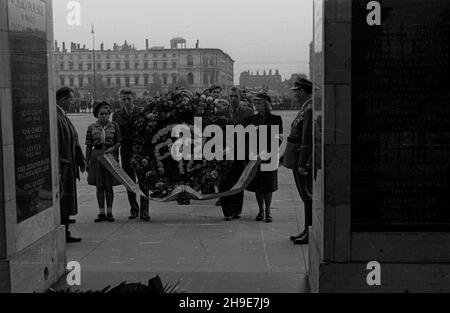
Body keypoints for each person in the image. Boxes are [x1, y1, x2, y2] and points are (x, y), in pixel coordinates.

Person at [112, 88, 151, 222]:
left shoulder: (141, 112)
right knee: (129, 181)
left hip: (140, 151)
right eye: (123, 99)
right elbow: (115, 137)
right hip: (126, 151)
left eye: (129, 99)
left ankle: (145, 211)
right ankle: (134, 209)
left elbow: (147, 131)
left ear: (134, 98)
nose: (126, 101)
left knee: (143, 181)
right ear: (120, 100)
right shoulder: (116, 115)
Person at [244, 92, 283, 223]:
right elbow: (246, 138)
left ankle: (268, 211)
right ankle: (260, 210)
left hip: (269, 157)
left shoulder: (276, 119)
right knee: (257, 185)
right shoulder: (251, 120)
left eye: (259, 103)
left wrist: (267, 151)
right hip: (255, 157)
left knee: (268, 184)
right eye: (255, 103)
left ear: (266, 105)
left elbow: (279, 138)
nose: (256, 106)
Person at [219, 87, 255, 221]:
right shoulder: (220, 113)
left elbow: (252, 133)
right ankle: (227, 211)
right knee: (224, 181)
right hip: (224, 152)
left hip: (240, 152)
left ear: (240, 98)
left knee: (238, 180)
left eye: (236, 96)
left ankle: (237, 209)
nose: (233, 99)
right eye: (231, 96)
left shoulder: (248, 112)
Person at [56, 87, 86, 243]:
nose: (72, 102)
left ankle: (65, 231)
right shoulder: (56, 116)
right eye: (70, 99)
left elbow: (73, 138)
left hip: (68, 165)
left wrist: (80, 159)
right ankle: (63, 233)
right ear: (62, 99)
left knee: (66, 201)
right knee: (64, 201)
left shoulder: (62, 115)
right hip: (63, 167)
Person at [86, 102, 123, 223]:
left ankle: (110, 212)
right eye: (101, 114)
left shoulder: (114, 126)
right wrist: (87, 162)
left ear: (109, 115)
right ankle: (101, 212)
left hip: (109, 155)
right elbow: (88, 145)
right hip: (96, 156)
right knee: (99, 186)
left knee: (109, 185)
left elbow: (119, 141)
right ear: (97, 115)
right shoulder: (91, 127)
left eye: (106, 114)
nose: (104, 116)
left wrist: (113, 148)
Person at [286, 78, 313, 245]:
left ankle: (310, 231)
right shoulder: (306, 108)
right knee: (305, 196)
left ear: (302, 92)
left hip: (300, 160)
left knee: (307, 196)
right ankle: (306, 229)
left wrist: (303, 163)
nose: (294, 95)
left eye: (295, 92)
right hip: (295, 156)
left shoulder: (309, 109)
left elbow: (307, 138)